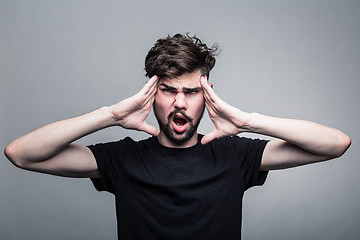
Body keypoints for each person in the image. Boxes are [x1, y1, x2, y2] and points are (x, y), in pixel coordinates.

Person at [4, 33, 351, 240]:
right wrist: (110, 115)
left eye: (191, 91)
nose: (180, 104)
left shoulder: (235, 154)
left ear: (207, 93)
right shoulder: (122, 159)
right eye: (168, 91)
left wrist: (248, 121)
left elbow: (336, 144)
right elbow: (21, 153)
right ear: (151, 93)